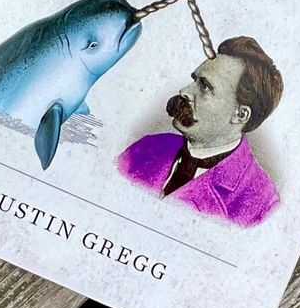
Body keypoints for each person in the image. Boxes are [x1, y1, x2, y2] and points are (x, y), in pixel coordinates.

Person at [117, 35, 282, 226]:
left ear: (240, 115)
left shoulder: (262, 204)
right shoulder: (146, 148)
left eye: (205, 87)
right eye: (194, 80)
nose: (184, 91)